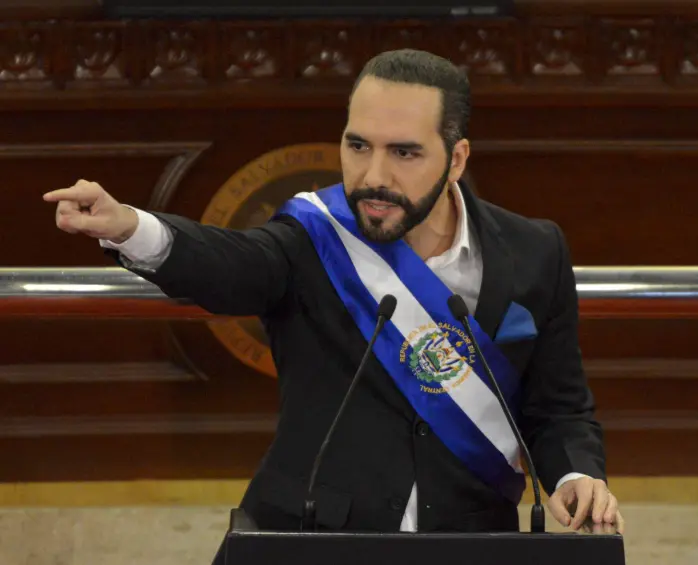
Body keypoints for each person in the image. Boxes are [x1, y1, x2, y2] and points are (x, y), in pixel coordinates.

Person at [44, 48, 624, 562]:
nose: (374, 176)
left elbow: (559, 407)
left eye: (404, 152)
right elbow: (230, 264)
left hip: (473, 540)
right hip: (309, 535)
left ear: (457, 159)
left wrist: (576, 474)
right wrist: (129, 229)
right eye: (357, 146)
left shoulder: (534, 250)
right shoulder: (314, 237)